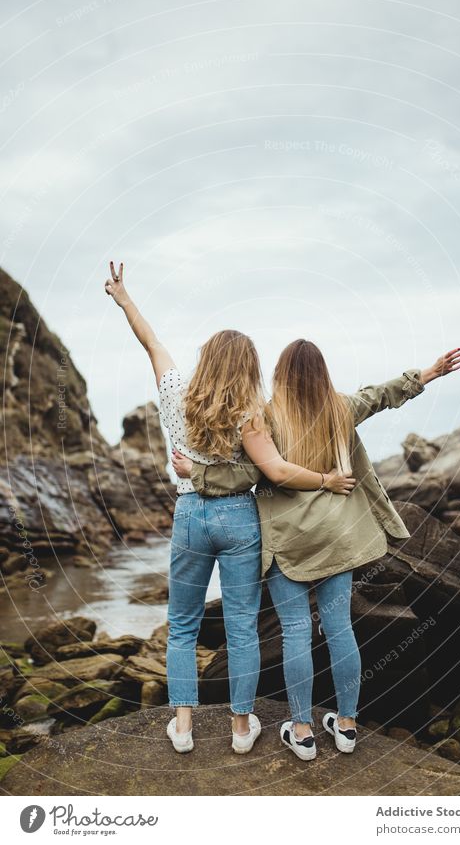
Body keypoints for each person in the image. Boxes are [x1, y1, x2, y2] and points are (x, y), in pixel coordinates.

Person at [172, 340, 460, 760]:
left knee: (295, 632)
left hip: (290, 540)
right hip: (338, 536)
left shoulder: (265, 418)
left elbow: (242, 476)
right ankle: (346, 726)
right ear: (322, 373)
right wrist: (428, 373)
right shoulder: (341, 408)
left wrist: (197, 472)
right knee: (339, 627)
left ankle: (303, 730)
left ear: (279, 375)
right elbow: (382, 395)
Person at [104, 264, 355, 755]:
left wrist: (124, 298)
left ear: (207, 358)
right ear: (248, 367)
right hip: (241, 519)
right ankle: (242, 730)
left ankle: (183, 726)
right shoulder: (252, 412)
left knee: (182, 624)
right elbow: (275, 471)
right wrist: (327, 480)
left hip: (190, 516)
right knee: (242, 625)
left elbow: (151, 342)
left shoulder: (176, 391)